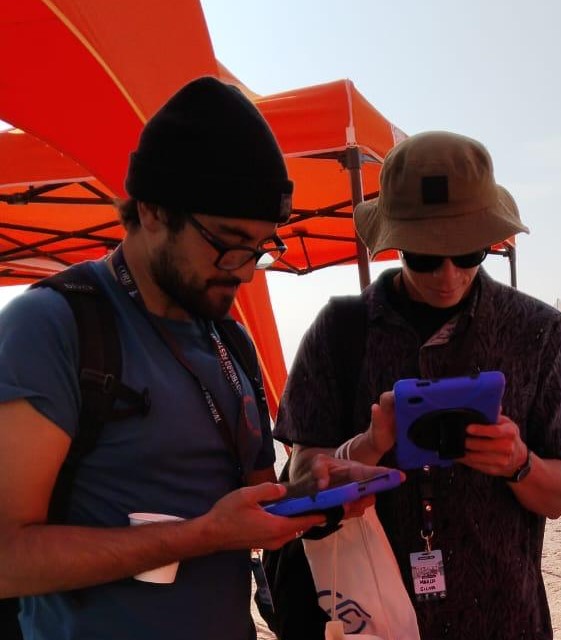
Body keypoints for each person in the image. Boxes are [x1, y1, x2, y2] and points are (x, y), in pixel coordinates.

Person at [0, 77, 382, 640]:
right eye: (228, 242)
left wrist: (317, 487)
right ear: (152, 210)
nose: (245, 270)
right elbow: (8, 556)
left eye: (260, 247)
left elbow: (254, 504)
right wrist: (200, 535)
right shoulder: (54, 327)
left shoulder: (230, 340)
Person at [275, 131, 561, 639]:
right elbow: (300, 476)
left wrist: (518, 463)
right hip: (372, 620)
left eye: (469, 253)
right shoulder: (338, 331)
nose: (448, 276)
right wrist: (370, 445)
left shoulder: (541, 334)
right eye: (424, 257)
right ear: (395, 244)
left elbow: (559, 497)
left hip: (504, 621)